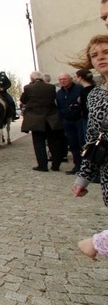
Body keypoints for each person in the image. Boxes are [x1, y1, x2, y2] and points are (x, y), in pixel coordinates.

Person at [69, 34, 108, 258]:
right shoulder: (94, 95)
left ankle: (96, 244)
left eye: (105, 53)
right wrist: (83, 177)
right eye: (95, 55)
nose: (100, 58)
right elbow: (94, 137)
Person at [20, 71, 64, 172]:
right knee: (53, 142)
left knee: (38, 143)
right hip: (51, 118)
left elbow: (23, 100)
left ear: (31, 79)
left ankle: (42, 165)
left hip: (36, 119)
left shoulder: (28, 87)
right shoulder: (51, 87)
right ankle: (56, 165)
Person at [55, 73, 85, 174]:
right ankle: (77, 166)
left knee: (83, 143)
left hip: (79, 120)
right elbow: (58, 106)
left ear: (70, 79)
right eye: (60, 80)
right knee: (73, 144)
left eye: (64, 79)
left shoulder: (79, 89)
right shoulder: (59, 93)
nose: (62, 81)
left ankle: (87, 167)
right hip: (67, 122)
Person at [74, 68, 96, 153]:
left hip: (88, 118)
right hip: (90, 117)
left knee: (89, 141)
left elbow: (86, 106)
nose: (75, 78)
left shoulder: (85, 90)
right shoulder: (93, 88)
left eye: (76, 77)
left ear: (80, 78)